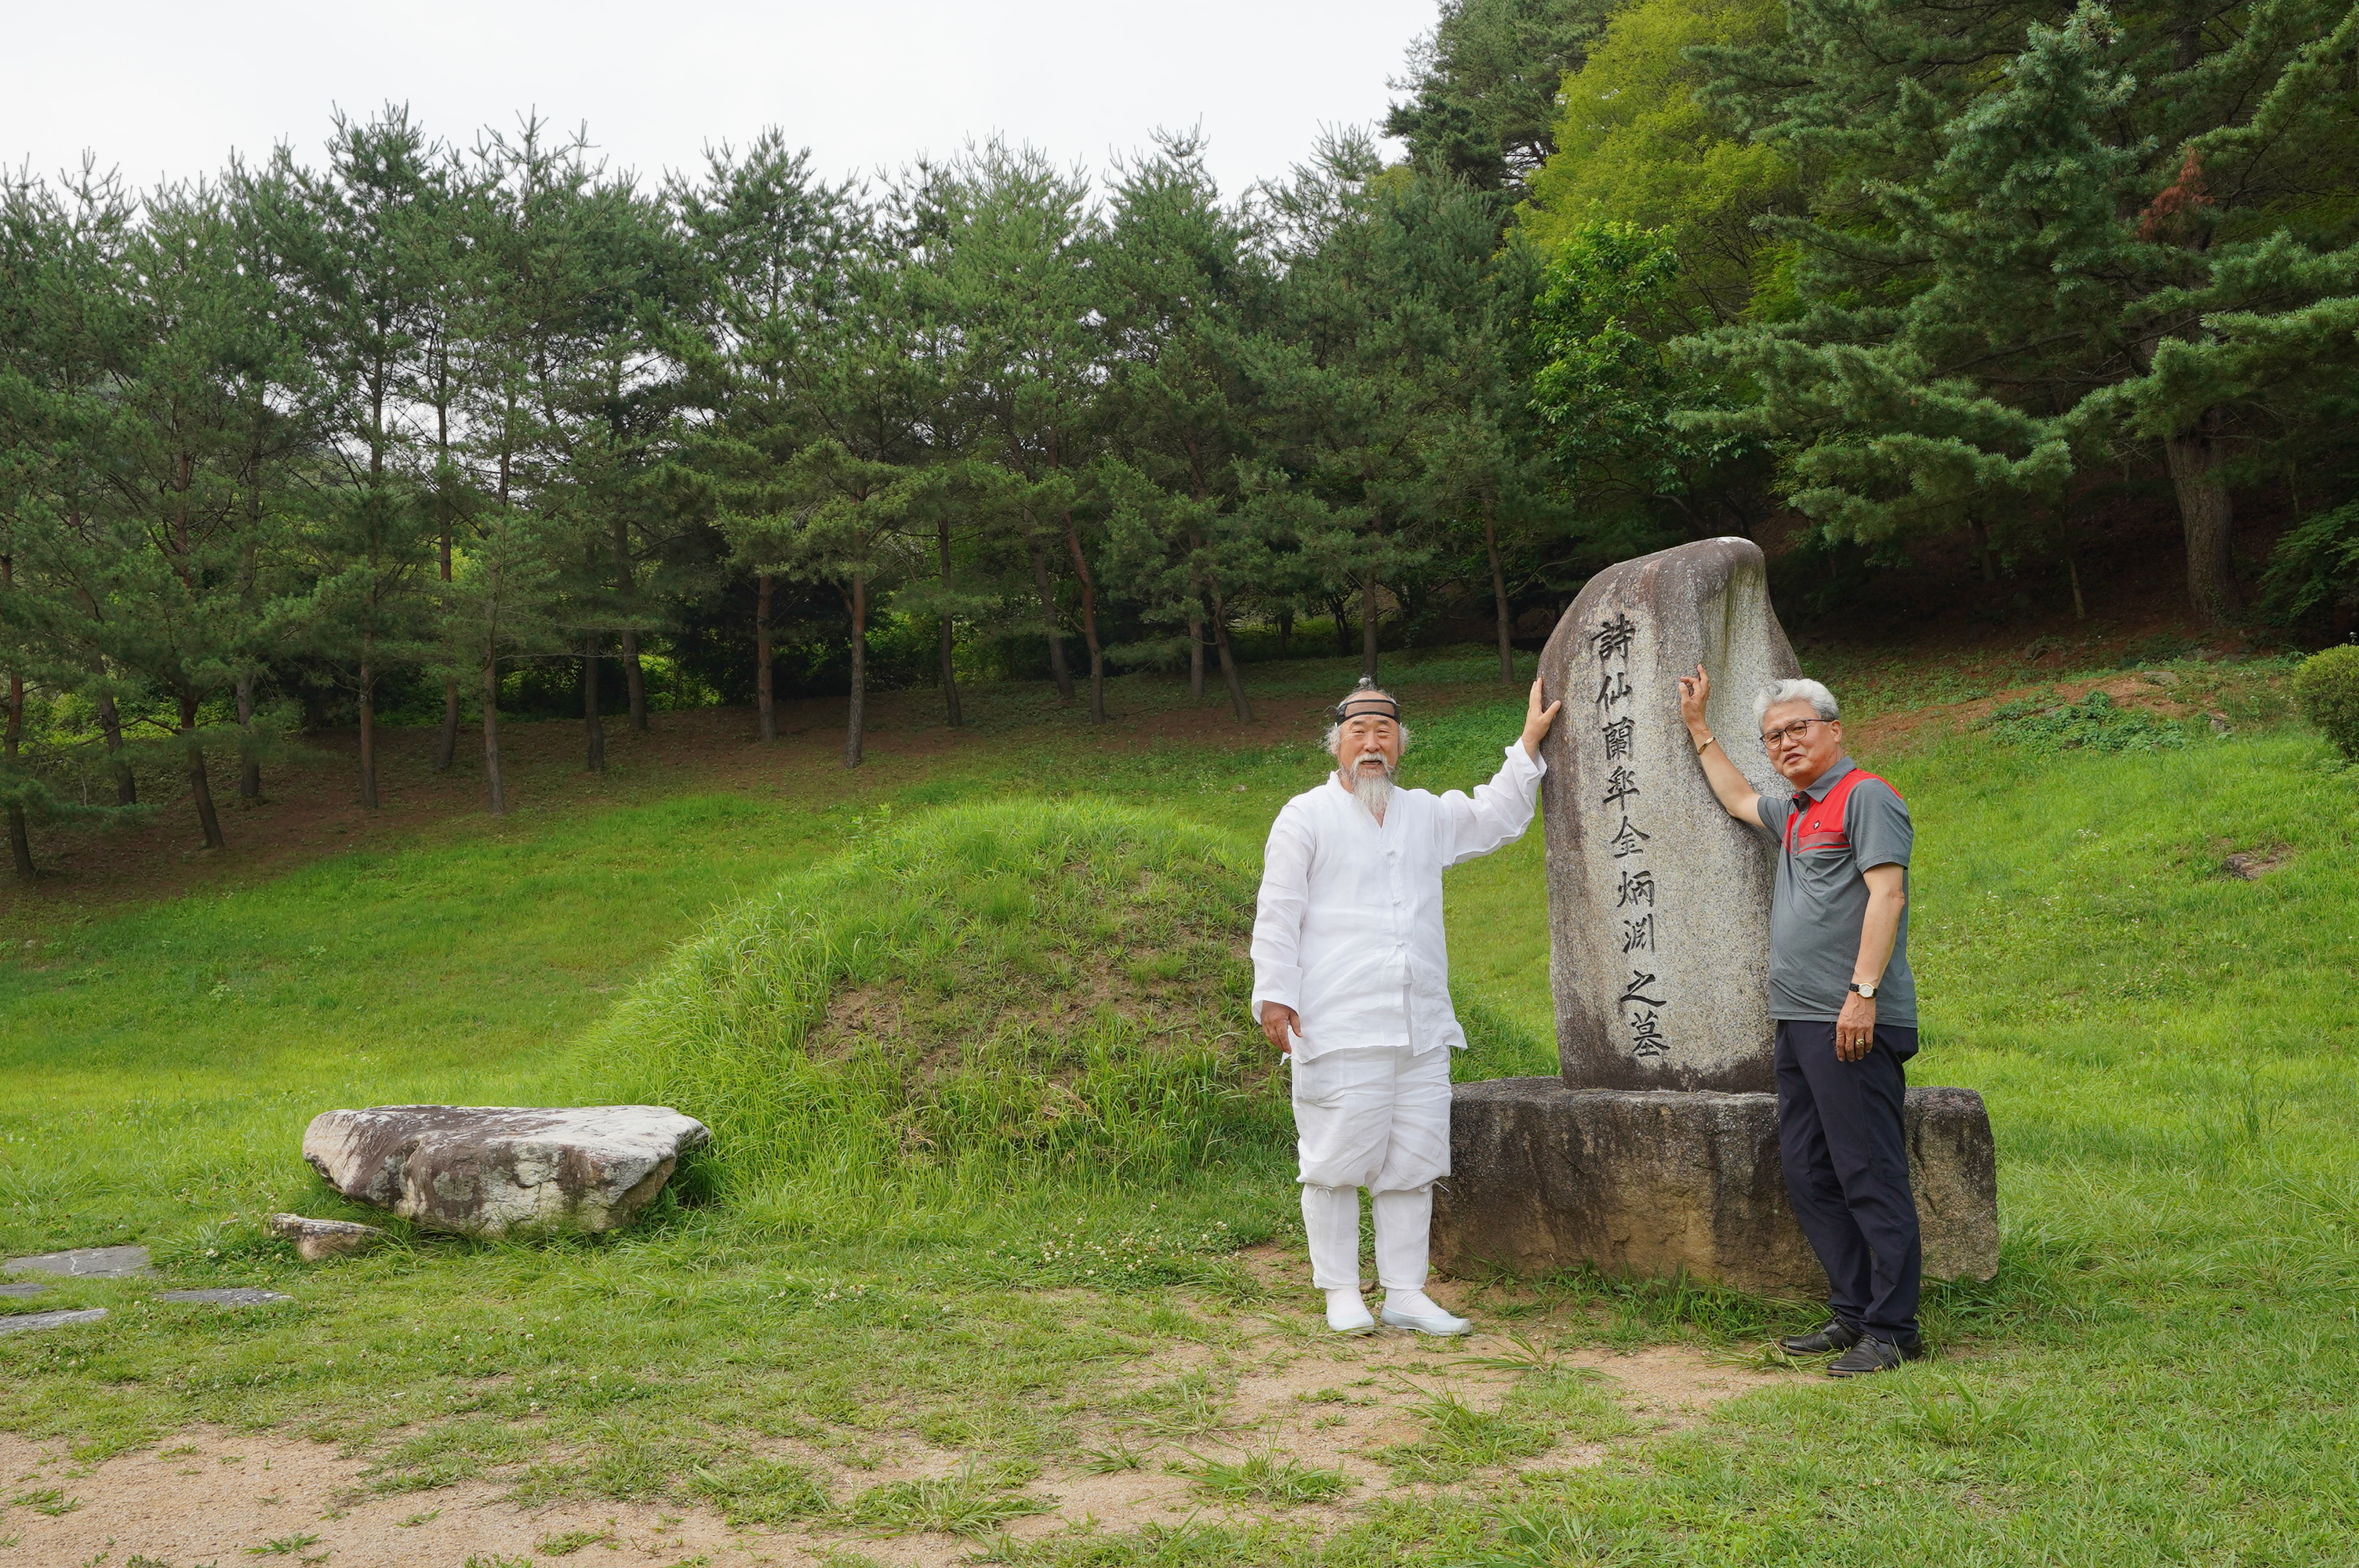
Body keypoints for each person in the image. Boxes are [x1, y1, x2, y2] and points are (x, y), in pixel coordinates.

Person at [1252, 677, 1561, 1335]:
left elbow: (1495, 816)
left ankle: (1405, 1292)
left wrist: (1529, 744)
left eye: (1384, 733)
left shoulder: (1423, 813)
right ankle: (1341, 1291)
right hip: (1339, 1019)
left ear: (1400, 746)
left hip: (1420, 1022)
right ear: (1336, 744)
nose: (1371, 745)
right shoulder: (1305, 815)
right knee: (1335, 1162)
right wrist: (1275, 995)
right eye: (1358, 733)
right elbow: (1278, 909)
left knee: (1413, 1162)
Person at [1677, 667, 1925, 1376]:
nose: (1785, 743)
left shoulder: (1865, 796)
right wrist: (1699, 727)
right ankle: (1854, 1312)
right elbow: (1737, 798)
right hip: (1797, 1021)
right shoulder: (1797, 811)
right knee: (1810, 1169)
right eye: (1773, 736)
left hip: (1849, 1018)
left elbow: (1887, 897)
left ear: (1833, 730)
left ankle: (1894, 1330)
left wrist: (1863, 993)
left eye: (1798, 729)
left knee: (1868, 1170)